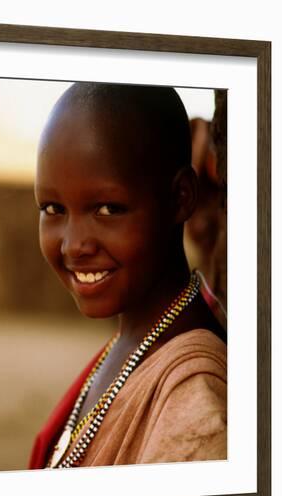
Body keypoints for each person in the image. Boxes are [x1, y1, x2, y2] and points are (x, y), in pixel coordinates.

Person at [28, 82, 227, 470]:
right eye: (53, 208)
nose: (73, 245)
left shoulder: (194, 406)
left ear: (181, 197)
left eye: (107, 209)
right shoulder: (133, 340)